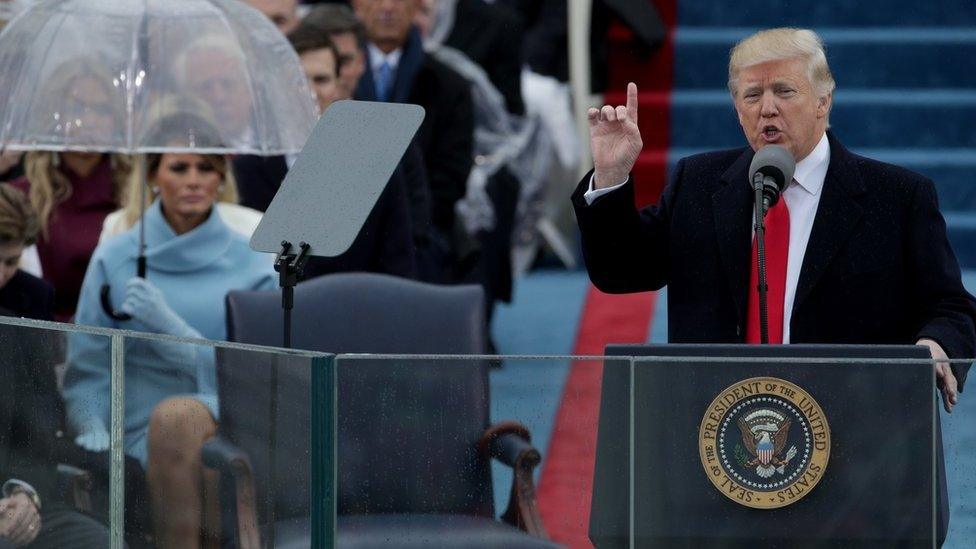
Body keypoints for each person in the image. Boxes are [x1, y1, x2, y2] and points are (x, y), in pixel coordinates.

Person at [573, 27, 976, 403]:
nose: (768, 108)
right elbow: (620, 270)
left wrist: (936, 346)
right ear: (737, 109)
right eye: (752, 96)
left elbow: (951, 308)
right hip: (715, 429)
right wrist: (610, 174)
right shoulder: (698, 183)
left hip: (852, 423)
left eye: (784, 91)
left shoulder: (898, 196)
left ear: (823, 101)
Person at [63, 116, 276, 549]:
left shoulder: (255, 263)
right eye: (179, 168)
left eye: (206, 168)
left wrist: (174, 333)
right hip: (134, 418)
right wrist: (89, 418)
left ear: (221, 178)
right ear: (154, 176)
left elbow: (258, 378)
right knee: (172, 425)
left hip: (223, 413)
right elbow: (88, 364)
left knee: (180, 422)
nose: (194, 180)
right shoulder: (116, 258)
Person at [233, 23, 418, 280]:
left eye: (321, 79)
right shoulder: (249, 167)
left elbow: (398, 265)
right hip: (276, 311)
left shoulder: (376, 161)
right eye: (297, 80)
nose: (309, 92)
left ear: (338, 87)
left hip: (359, 310)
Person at [0, 183, 113, 548]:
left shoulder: (27, 300)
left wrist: (25, 493)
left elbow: (38, 421)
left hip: (11, 489)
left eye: (10, 261)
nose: (0, 275)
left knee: (98, 542)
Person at [352, 0, 475, 281]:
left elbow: (451, 178)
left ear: (418, 6)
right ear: (356, 5)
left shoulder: (450, 86)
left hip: (421, 236)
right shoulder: (334, 80)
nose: (387, 7)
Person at [10, 57, 132, 321]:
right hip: (42, 339)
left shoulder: (137, 196)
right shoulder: (20, 195)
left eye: (102, 110)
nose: (89, 121)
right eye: (77, 109)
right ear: (53, 117)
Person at [302, 3, 368, 101]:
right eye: (322, 61)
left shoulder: (379, 114)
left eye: (344, 61)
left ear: (361, 62)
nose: (336, 73)